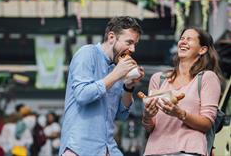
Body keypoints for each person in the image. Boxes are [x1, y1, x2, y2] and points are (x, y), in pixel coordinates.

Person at [59, 16, 145, 156]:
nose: (133, 49)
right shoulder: (87, 53)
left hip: (108, 148)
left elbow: (122, 115)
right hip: (79, 149)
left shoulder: (117, 67)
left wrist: (128, 87)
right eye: (129, 42)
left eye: (135, 44)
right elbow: (82, 95)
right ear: (112, 37)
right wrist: (116, 75)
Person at [142, 27, 223, 156]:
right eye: (182, 39)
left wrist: (179, 113)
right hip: (155, 151)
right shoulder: (158, 79)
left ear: (202, 49)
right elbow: (150, 127)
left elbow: (207, 123)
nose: (183, 42)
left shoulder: (207, 78)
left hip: (188, 150)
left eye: (189, 39)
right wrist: (147, 116)